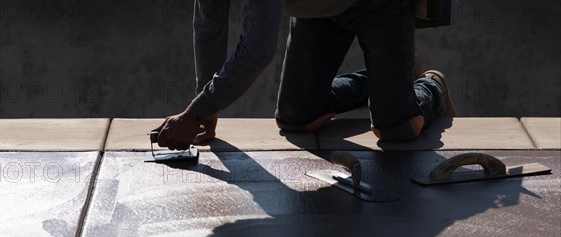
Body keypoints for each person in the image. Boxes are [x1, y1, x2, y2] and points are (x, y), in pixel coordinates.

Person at [154, 0, 457, 150]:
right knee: (297, 119)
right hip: (318, 11)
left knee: (397, 128)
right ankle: (393, 79)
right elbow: (210, 27)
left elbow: (256, 51)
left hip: (377, 5)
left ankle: (430, 86)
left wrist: (194, 114)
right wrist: (208, 110)